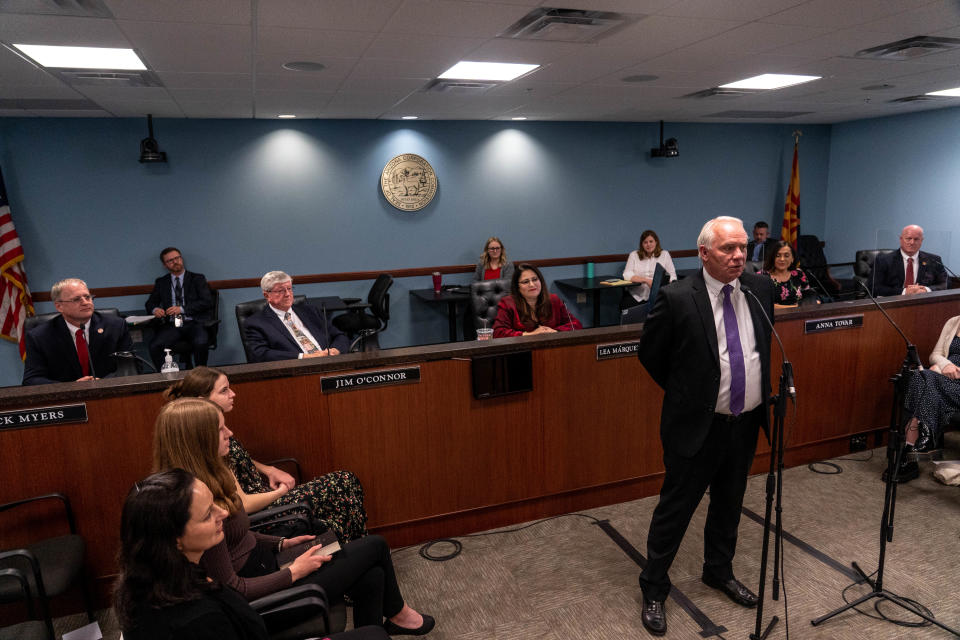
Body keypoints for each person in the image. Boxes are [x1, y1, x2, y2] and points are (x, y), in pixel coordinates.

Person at [152, 398, 434, 635]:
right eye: (220, 429)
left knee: (371, 576)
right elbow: (233, 589)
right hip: (263, 592)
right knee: (375, 546)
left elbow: (240, 537)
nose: (230, 433)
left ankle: (390, 621)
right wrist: (293, 571)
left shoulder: (211, 476)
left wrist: (280, 544)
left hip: (267, 563)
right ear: (198, 439)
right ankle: (398, 614)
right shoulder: (196, 506)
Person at [635, 216, 775, 636]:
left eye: (742, 248)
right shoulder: (677, 297)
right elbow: (651, 355)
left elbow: (760, 349)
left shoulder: (760, 288)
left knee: (730, 503)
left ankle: (718, 570)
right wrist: (689, 394)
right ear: (703, 253)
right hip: (697, 426)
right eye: (727, 249)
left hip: (745, 422)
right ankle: (654, 586)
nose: (738, 257)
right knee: (676, 509)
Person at [166, 366, 368, 542]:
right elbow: (243, 503)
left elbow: (236, 458)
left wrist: (268, 469)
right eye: (224, 390)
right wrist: (280, 492)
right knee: (344, 482)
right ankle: (360, 551)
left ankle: (359, 553)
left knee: (344, 493)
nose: (233, 394)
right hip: (263, 512)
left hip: (266, 497)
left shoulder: (217, 432)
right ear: (203, 401)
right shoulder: (207, 440)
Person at [114, 468, 270, 640]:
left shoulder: (151, 577)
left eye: (213, 503)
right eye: (207, 514)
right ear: (174, 539)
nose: (223, 513)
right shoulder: (198, 620)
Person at [22, 278, 133, 385]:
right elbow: (32, 379)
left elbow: (132, 367)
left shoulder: (116, 326)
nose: (85, 302)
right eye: (76, 299)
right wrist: (71, 387)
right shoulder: (39, 336)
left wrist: (104, 383)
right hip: (67, 400)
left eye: (87, 297)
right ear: (59, 306)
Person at [894, 315, 960, 482]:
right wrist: (945, 365)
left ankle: (910, 455)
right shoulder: (954, 322)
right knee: (919, 379)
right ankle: (923, 441)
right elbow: (935, 354)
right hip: (943, 378)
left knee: (923, 379)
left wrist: (945, 370)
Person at [243, 271, 350, 362]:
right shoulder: (256, 323)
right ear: (267, 295)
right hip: (295, 371)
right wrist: (304, 357)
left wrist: (335, 350)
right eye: (281, 290)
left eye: (289, 288)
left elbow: (339, 336)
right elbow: (261, 354)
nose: (287, 294)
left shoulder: (310, 312)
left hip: (329, 362)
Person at [145, 247, 215, 370]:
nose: (175, 262)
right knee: (155, 345)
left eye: (177, 258)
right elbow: (150, 303)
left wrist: (182, 309)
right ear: (165, 265)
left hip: (194, 322)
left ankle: (201, 375)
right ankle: (164, 377)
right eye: (170, 260)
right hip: (173, 325)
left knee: (201, 342)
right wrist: (155, 309)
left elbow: (206, 302)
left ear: (181, 259)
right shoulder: (162, 282)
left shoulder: (197, 279)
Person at [492, 263, 581, 337]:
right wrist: (528, 335)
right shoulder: (508, 303)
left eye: (535, 279)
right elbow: (498, 332)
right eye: (526, 282)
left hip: (552, 351)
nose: (532, 284)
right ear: (517, 287)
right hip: (521, 353)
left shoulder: (554, 300)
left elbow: (576, 324)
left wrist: (555, 331)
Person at [871, 224, 947, 296]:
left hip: (923, 302)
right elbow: (874, 287)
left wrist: (926, 290)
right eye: (908, 238)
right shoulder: (883, 260)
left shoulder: (934, 260)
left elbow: (945, 283)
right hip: (893, 302)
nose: (912, 242)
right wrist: (904, 291)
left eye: (916, 239)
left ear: (922, 241)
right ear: (901, 239)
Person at [622, 230, 677, 307]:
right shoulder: (634, 255)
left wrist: (659, 285)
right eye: (645, 242)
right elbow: (626, 275)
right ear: (642, 244)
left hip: (658, 296)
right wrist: (647, 280)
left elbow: (672, 276)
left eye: (651, 241)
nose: (648, 244)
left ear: (656, 242)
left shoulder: (664, 254)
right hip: (636, 295)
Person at [758, 240, 815, 307]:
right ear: (772, 258)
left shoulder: (798, 274)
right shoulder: (762, 276)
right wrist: (795, 307)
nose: (782, 259)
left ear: (792, 259)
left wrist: (814, 302)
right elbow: (762, 304)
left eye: (786, 256)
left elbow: (809, 297)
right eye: (778, 255)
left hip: (799, 315)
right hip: (772, 316)